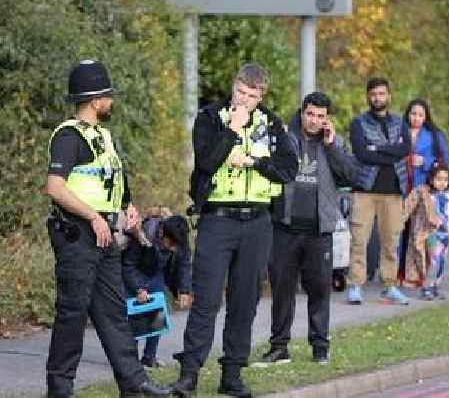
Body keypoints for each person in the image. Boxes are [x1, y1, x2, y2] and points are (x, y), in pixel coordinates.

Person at [171, 62, 298, 398]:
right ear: (233, 86)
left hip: (257, 222)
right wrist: (232, 130)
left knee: (245, 301)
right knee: (207, 300)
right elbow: (207, 162)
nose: (245, 100)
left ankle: (232, 374)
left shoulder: (271, 124)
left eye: (252, 96)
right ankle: (189, 376)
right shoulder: (211, 118)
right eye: (241, 92)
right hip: (218, 219)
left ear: (261, 96)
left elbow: (288, 169)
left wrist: (255, 162)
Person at [45, 60, 170, 398]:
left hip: (104, 235)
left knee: (114, 311)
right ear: (95, 99)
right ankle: (60, 390)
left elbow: (112, 185)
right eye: (107, 96)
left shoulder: (103, 137)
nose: (111, 101)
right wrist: (94, 217)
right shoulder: (69, 137)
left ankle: (135, 383)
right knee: (73, 313)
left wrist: (128, 208)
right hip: (77, 233)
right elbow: (55, 187)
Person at [254, 92, 357, 367]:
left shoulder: (335, 142)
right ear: (302, 112)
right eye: (310, 114)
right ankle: (279, 347)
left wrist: (332, 145)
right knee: (282, 290)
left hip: (319, 230)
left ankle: (320, 346)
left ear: (327, 119)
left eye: (320, 116)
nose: (314, 120)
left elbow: (349, 176)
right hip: (285, 227)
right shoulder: (284, 138)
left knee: (320, 290)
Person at [347, 77, 411, 306]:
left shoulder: (400, 122)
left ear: (389, 96)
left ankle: (390, 286)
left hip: (394, 191)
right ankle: (355, 285)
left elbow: (404, 150)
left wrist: (378, 148)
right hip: (365, 189)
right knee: (359, 239)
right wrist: (388, 151)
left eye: (381, 94)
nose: (377, 98)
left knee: (391, 241)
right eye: (373, 94)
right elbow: (362, 154)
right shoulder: (358, 123)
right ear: (368, 97)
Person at [122, 210, 193, 368]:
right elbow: (128, 265)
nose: (174, 249)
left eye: (177, 245)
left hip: (157, 273)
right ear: (162, 233)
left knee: (158, 314)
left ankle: (149, 357)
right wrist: (138, 288)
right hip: (136, 271)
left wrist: (185, 290)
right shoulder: (144, 234)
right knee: (135, 316)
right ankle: (130, 360)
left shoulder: (179, 238)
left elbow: (184, 264)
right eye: (171, 244)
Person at [399, 98, 449, 286]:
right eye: (413, 114)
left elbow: (446, 161)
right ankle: (399, 273)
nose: (416, 118)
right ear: (407, 114)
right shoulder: (399, 132)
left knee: (419, 233)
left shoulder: (435, 135)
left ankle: (422, 275)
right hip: (401, 187)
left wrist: (426, 161)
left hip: (423, 190)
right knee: (399, 230)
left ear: (426, 116)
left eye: (420, 115)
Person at [420, 162, 449, 300]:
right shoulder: (429, 198)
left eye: (445, 179)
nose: (442, 182)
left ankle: (436, 286)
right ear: (431, 179)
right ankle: (426, 287)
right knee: (432, 260)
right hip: (432, 234)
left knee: (442, 261)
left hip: (445, 234)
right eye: (439, 179)